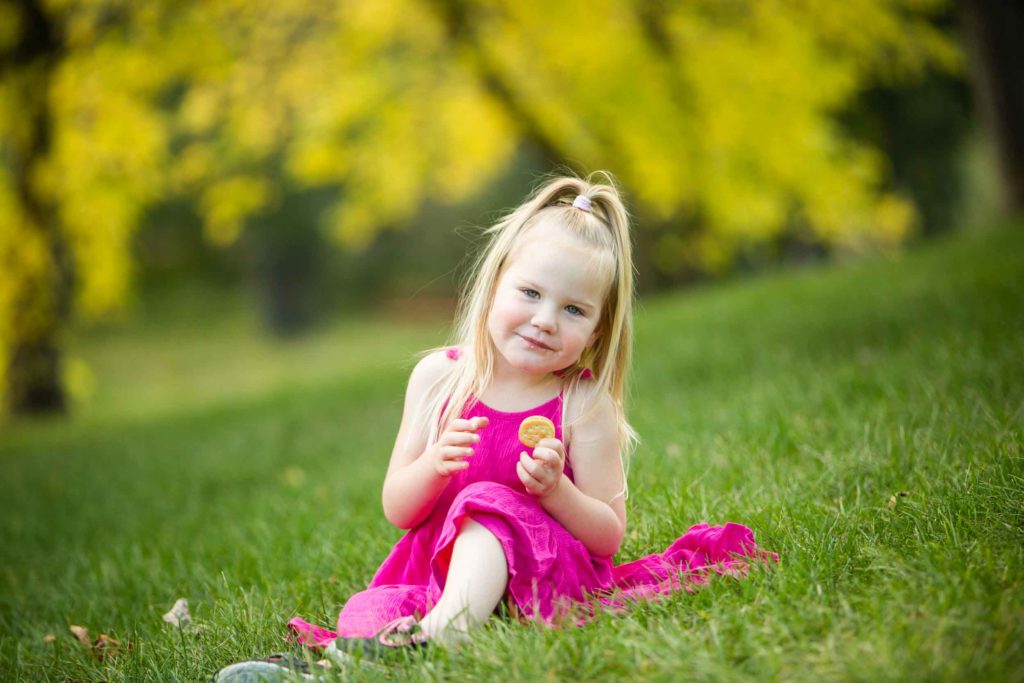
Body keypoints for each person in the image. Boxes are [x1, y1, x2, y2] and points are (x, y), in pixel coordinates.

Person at [220, 173, 772, 679]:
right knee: (365, 614)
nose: (544, 320)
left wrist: (556, 491)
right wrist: (434, 467)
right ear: (495, 284)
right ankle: (343, 665)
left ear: (598, 333)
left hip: (549, 579)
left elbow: (608, 537)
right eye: (530, 293)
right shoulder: (439, 378)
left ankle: (443, 636)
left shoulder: (582, 404)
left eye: (573, 310)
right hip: (440, 577)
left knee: (487, 501)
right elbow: (398, 509)